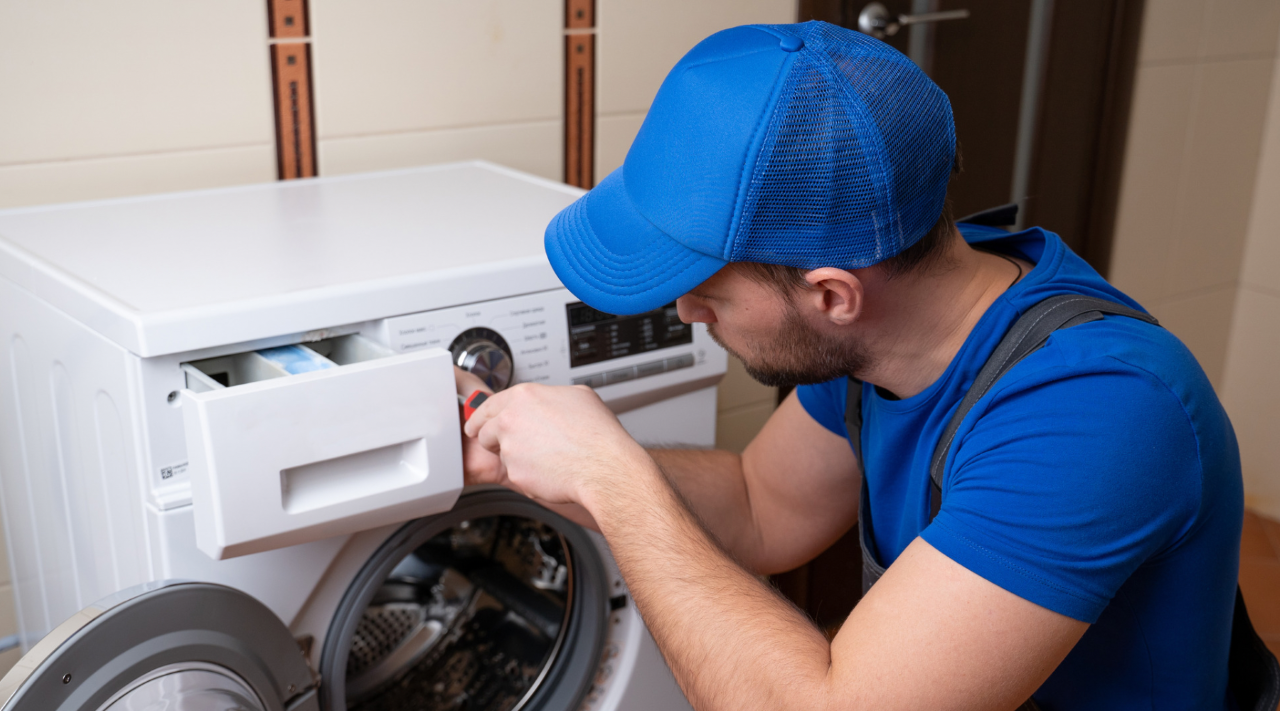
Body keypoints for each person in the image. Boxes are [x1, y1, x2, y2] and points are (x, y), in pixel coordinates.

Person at [454, 21, 1246, 710]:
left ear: (832, 293)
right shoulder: (888, 326)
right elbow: (760, 505)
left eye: (704, 290)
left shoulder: (1096, 411)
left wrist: (612, 480)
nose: (689, 314)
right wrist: (523, 452)